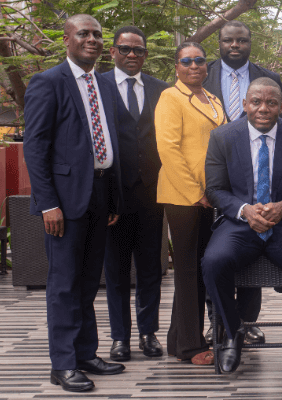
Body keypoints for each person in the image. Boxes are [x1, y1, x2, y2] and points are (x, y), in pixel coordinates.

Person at [201, 78, 282, 400]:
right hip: (240, 225)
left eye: (271, 102)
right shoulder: (222, 137)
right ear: (245, 104)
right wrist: (244, 210)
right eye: (256, 101)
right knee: (212, 261)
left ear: (281, 107)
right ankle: (233, 331)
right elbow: (214, 190)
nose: (263, 109)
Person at [23, 14, 125, 392]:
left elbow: (109, 141)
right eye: (83, 33)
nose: (92, 39)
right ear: (67, 39)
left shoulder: (104, 84)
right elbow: (35, 148)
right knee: (64, 283)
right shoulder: (48, 82)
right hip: (64, 201)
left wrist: (112, 198)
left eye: (97, 34)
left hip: (99, 194)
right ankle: (63, 364)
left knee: (87, 282)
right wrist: (48, 203)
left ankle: (85, 354)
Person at [202, 20, 282, 345]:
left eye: (241, 40)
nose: (235, 45)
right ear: (219, 43)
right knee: (215, 253)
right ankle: (218, 320)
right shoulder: (204, 75)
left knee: (256, 237)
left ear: (250, 43)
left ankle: (248, 320)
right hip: (217, 175)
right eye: (228, 40)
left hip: (257, 173)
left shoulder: (268, 77)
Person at [102, 26, 170, 363]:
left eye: (138, 50)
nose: (132, 55)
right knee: (115, 271)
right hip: (112, 195)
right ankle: (120, 338)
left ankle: (148, 332)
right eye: (125, 49)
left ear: (145, 54)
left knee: (150, 268)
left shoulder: (162, 90)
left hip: (151, 194)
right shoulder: (98, 86)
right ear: (112, 51)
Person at [155, 42, 225, 365]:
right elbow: (168, 149)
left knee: (196, 270)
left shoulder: (213, 99)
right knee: (188, 271)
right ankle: (190, 347)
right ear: (177, 67)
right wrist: (195, 192)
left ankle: (177, 339)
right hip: (184, 197)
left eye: (199, 60)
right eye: (186, 61)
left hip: (210, 196)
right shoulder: (170, 98)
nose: (194, 65)